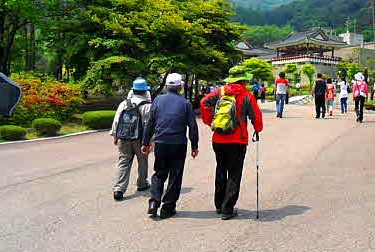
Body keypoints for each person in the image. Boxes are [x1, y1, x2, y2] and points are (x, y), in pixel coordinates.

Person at [200, 66, 263, 220]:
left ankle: (219, 205)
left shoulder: (220, 92)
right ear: (243, 80)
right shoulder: (247, 95)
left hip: (219, 138)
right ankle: (228, 208)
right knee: (234, 173)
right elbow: (256, 116)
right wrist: (257, 128)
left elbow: (204, 102)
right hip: (238, 140)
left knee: (221, 169)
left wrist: (210, 122)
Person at [141, 73, 199, 219]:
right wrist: (194, 146)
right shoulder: (185, 103)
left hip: (160, 142)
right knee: (175, 175)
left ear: (166, 86)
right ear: (180, 87)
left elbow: (150, 123)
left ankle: (154, 203)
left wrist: (145, 142)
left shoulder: (158, 101)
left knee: (159, 173)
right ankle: (168, 208)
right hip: (178, 144)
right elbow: (192, 126)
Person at [111, 77, 153, 201]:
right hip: (141, 140)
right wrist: (151, 141)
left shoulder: (124, 103)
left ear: (133, 90)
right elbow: (150, 125)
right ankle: (142, 184)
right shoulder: (148, 106)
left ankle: (119, 189)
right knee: (143, 161)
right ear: (145, 92)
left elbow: (117, 121)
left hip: (124, 138)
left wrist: (115, 136)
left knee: (123, 161)